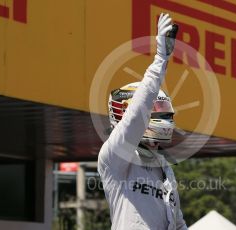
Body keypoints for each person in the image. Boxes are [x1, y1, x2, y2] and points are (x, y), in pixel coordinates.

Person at [97, 13, 187, 230]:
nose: (164, 117)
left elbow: (178, 224)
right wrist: (160, 59)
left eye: (164, 110)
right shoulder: (114, 156)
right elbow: (136, 116)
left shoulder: (164, 167)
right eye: (155, 109)